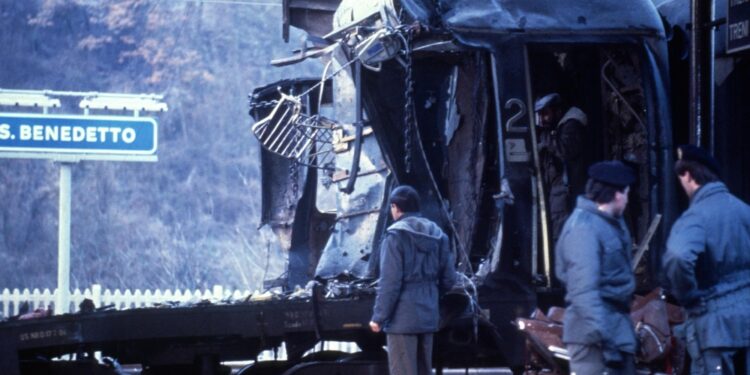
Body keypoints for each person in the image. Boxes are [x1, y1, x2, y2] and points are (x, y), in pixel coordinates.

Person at [663, 144, 750, 375]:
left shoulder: (696, 217)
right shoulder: (743, 210)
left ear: (688, 175)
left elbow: (679, 257)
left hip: (714, 327)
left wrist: (689, 297)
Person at [555, 160, 637, 375]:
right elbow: (583, 291)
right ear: (618, 195)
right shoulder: (584, 228)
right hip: (593, 339)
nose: (628, 200)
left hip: (614, 330)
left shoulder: (609, 224)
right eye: (627, 193)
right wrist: (607, 340)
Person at [369, 185, 457, 375]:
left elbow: (390, 283)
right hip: (428, 315)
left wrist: (379, 317)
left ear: (395, 207)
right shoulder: (439, 235)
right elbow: (449, 280)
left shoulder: (395, 236)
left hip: (402, 320)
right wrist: (431, 294)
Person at [534, 93, 588, 247]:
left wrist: (544, 139)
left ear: (557, 111)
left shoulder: (572, 126)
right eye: (540, 115)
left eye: (546, 114)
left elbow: (565, 151)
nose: (543, 119)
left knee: (561, 228)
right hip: (558, 187)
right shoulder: (557, 128)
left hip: (566, 189)